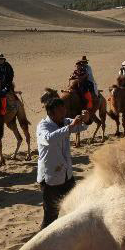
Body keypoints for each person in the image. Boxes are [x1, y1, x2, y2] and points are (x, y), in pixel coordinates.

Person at [36, 98, 90, 229]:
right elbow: (49, 139)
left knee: (77, 207)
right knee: (51, 216)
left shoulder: (64, 121)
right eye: (60, 110)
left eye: (64, 108)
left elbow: (81, 126)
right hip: (50, 179)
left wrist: (86, 118)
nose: (64, 111)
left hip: (67, 175)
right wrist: (70, 127)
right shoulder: (43, 126)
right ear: (51, 113)